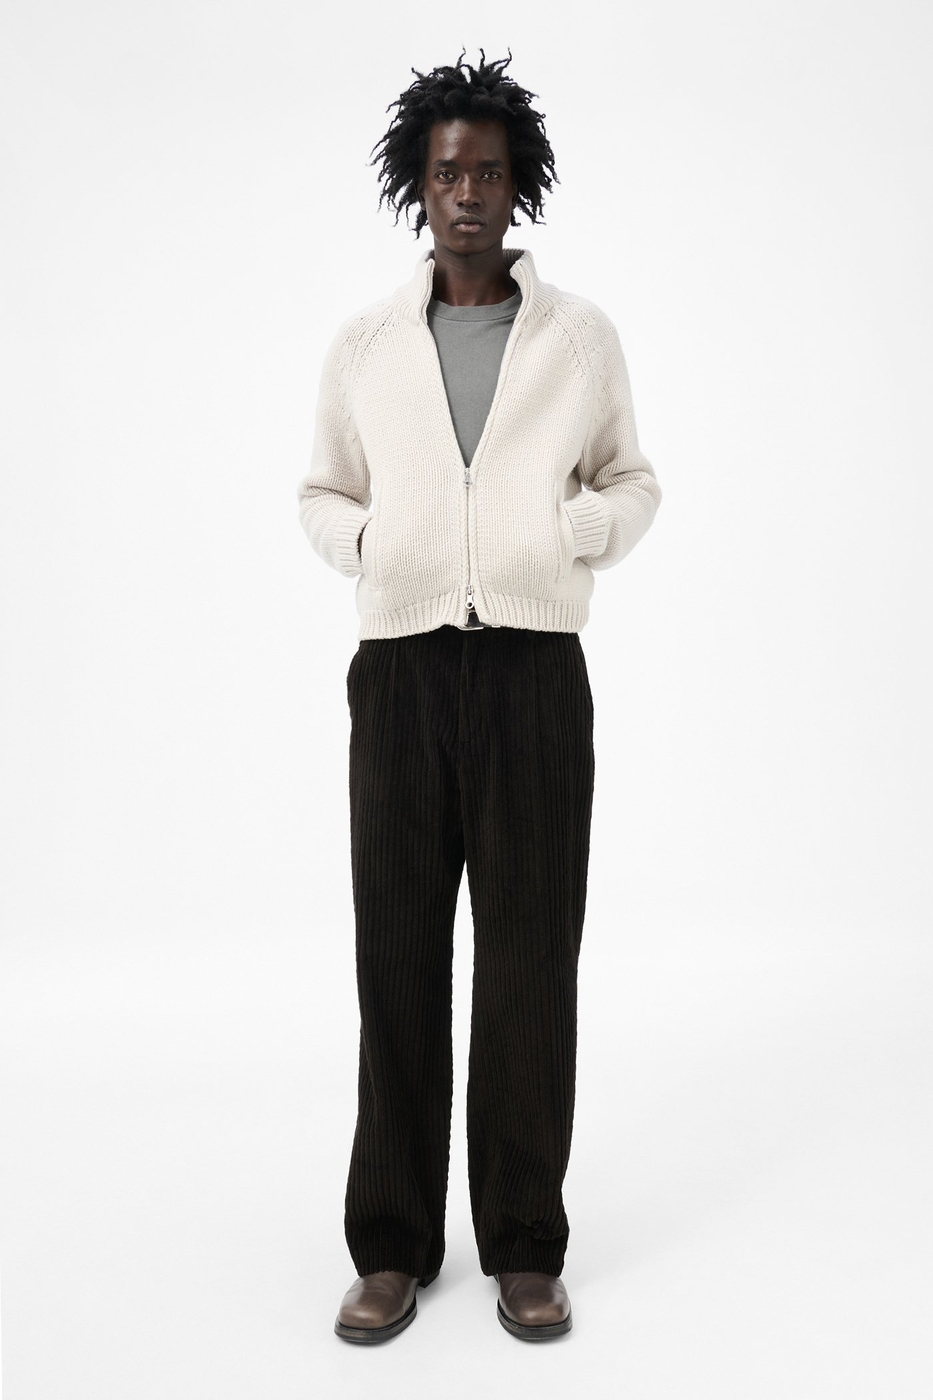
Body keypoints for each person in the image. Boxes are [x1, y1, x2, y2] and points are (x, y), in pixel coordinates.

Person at [296, 48, 661, 1344]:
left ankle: (522, 1244)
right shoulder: (365, 345)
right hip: (399, 674)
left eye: (489, 173)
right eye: (448, 171)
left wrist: (581, 532)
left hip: (531, 677)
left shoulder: (577, 339)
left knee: (526, 965)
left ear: (519, 188)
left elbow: (631, 479)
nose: (467, 193)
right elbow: (321, 491)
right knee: (397, 959)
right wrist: (371, 545)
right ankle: (391, 1245)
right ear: (419, 181)